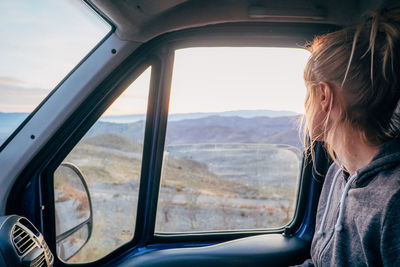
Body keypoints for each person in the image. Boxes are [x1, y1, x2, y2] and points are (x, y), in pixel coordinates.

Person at [295, 6, 400, 266]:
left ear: (323, 96)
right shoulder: (337, 174)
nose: (303, 105)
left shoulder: (394, 199)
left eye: (307, 94)